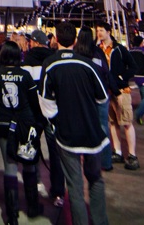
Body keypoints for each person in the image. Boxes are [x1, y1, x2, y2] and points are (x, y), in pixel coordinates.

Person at [39, 21, 110, 225]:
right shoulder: (86, 63)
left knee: (74, 186)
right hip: (92, 132)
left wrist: (55, 120)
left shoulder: (50, 64)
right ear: (75, 40)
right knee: (96, 179)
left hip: (67, 134)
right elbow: (102, 97)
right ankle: (100, 221)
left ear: (56, 39)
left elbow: (45, 101)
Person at [0, 41, 44, 224]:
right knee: (29, 164)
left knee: (10, 167)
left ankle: (12, 216)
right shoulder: (25, 75)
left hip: (4, 123)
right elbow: (35, 103)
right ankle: (33, 207)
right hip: (25, 124)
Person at [21, 29, 65, 207]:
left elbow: (25, 86)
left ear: (34, 42)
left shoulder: (26, 58)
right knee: (55, 152)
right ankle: (58, 192)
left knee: (31, 148)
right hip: (52, 111)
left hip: (33, 111)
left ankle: (35, 185)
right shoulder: (53, 59)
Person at [94, 23, 139, 170]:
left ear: (108, 32)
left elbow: (133, 67)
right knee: (112, 122)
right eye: (97, 30)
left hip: (122, 90)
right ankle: (117, 151)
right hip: (107, 91)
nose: (99, 33)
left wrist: (121, 78)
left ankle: (132, 155)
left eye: (101, 30)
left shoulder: (119, 49)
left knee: (126, 122)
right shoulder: (97, 50)